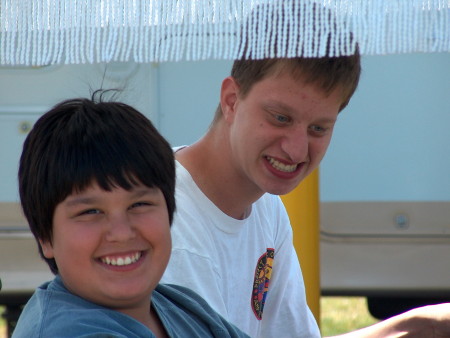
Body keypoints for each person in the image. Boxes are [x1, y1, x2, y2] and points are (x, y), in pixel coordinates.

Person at [159, 32, 450, 338]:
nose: (297, 150)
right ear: (231, 100)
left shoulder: (264, 204)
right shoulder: (169, 223)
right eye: (280, 118)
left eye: (318, 128)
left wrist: (419, 326)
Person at [13, 92, 249, 338]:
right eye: (91, 211)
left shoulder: (181, 306)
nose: (122, 233)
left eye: (139, 204)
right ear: (45, 237)